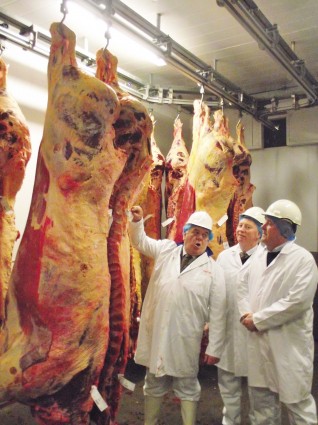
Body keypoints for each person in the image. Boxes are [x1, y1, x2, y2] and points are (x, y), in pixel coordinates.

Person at [129, 206, 226, 425]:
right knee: (153, 380)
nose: (199, 238)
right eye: (195, 232)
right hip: (158, 330)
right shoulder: (166, 250)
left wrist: (214, 347)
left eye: (204, 235)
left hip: (186, 337)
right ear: (185, 233)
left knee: (187, 385)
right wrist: (136, 222)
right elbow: (140, 242)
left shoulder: (214, 270)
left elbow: (219, 312)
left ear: (209, 239)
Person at [238, 199, 318, 425]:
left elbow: (298, 301)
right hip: (258, 346)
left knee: (299, 406)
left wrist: (259, 320)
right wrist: (245, 313)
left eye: (269, 223)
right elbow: (240, 285)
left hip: (288, 348)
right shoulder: (258, 257)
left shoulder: (303, 260)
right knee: (261, 407)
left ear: (284, 227)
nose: (263, 227)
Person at [216, 207, 265, 425]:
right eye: (240, 225)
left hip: (256, 332)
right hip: (228, 331)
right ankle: (230, 421)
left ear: (259, 234)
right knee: (228, 384)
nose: (241, 230)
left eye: (248, 227)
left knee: (259, 391)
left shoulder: (267, 259)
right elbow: (216, 292)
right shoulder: (225, 256)